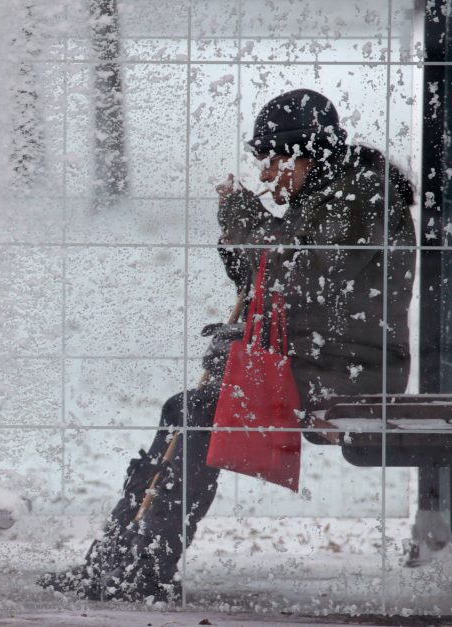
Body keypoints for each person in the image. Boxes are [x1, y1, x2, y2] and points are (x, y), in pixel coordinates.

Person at [38, 89, 418, 602]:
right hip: (318, 361)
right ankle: (118, 559)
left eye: (271, 160)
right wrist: (241, 333)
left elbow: (298, 278)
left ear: (305, 152)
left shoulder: (363, 197)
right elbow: (265, 283)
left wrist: (243, 221)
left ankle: (140, 568)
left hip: (350, 373)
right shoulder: (332, 194)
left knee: (196, 414)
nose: (264, 175)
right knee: (188, 408)